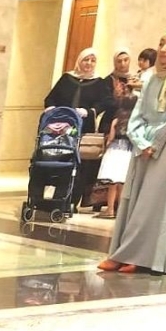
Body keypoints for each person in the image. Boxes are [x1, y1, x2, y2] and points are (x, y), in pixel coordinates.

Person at [98, 28, 166, 276]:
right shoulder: (153, 77)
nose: (164, 50)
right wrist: (140, 139)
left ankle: (143, 257)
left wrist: (156, 139)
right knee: (132, 197)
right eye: (161, 43)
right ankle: (121, 252)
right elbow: (137, 113)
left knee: (155, 201)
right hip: (143, 144)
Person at [44, 48, 113, 210]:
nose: (88, 64)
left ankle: (73, 200)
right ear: (79, 61)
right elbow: (51, 97)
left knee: (79, 164)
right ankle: (57, 195)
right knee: (60, 160)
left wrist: (90, 111)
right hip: (61, 128)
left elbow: (107, 102)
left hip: (83, 128)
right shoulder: (67, 78)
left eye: (92, 60)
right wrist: (51, 107)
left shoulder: (99, 82)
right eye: (85, 60)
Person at [95, 91, 135, 219]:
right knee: (123, 182)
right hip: (128, 152)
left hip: (115, 150)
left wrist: (105, 147)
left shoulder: (116, 120)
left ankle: (110, 209)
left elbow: (111, 137)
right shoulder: (134, 121)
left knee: (112, 183)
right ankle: (121, 210)